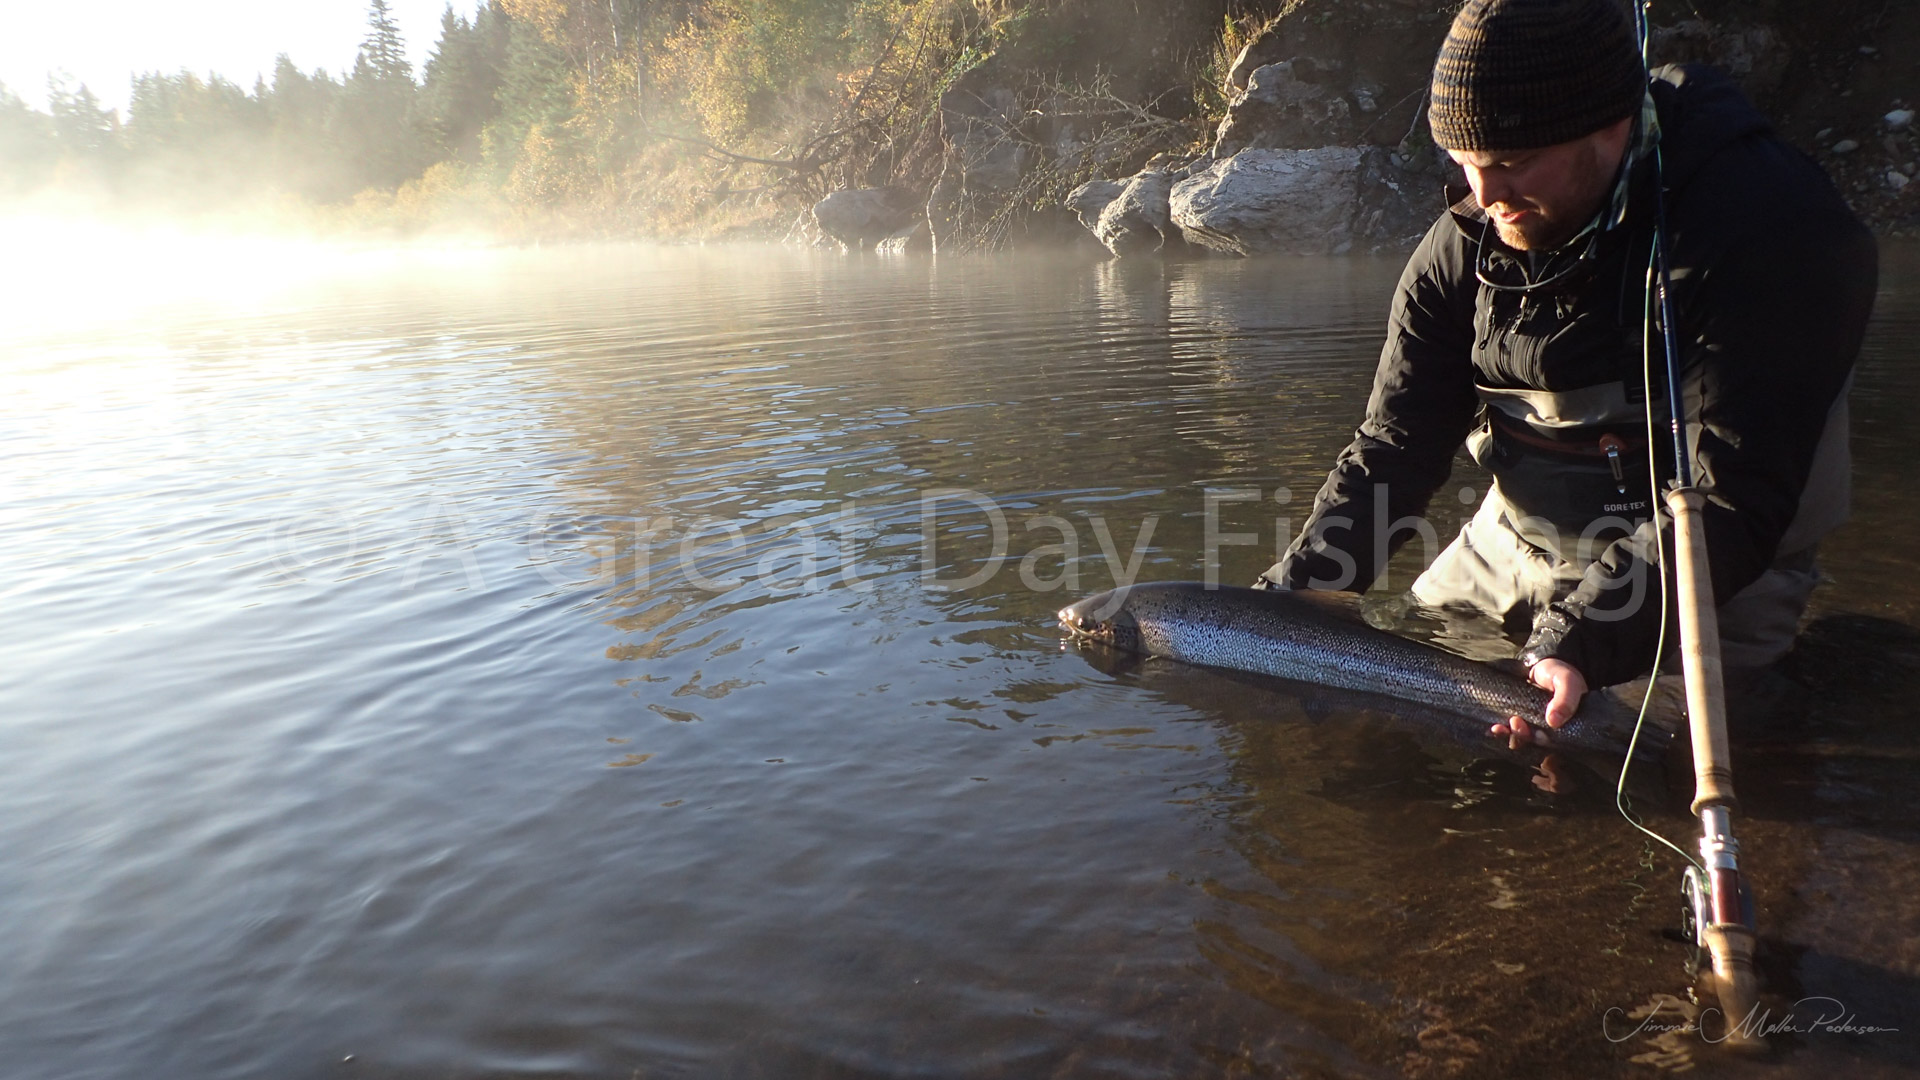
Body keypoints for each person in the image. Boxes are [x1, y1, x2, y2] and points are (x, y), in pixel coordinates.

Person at [1254, 0, 1878, 748]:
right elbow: (1397, 443)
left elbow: (1734, 497)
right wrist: (1286, 607)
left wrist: (1575, 643)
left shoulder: (1769, 230)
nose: (1484, 197)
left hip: (1710, 556)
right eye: (1465, 162)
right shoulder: (1462, 245)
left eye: (1512, 162)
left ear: (1608, 125)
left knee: (1631, 748)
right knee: (1393, 707)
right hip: (1515, 540)